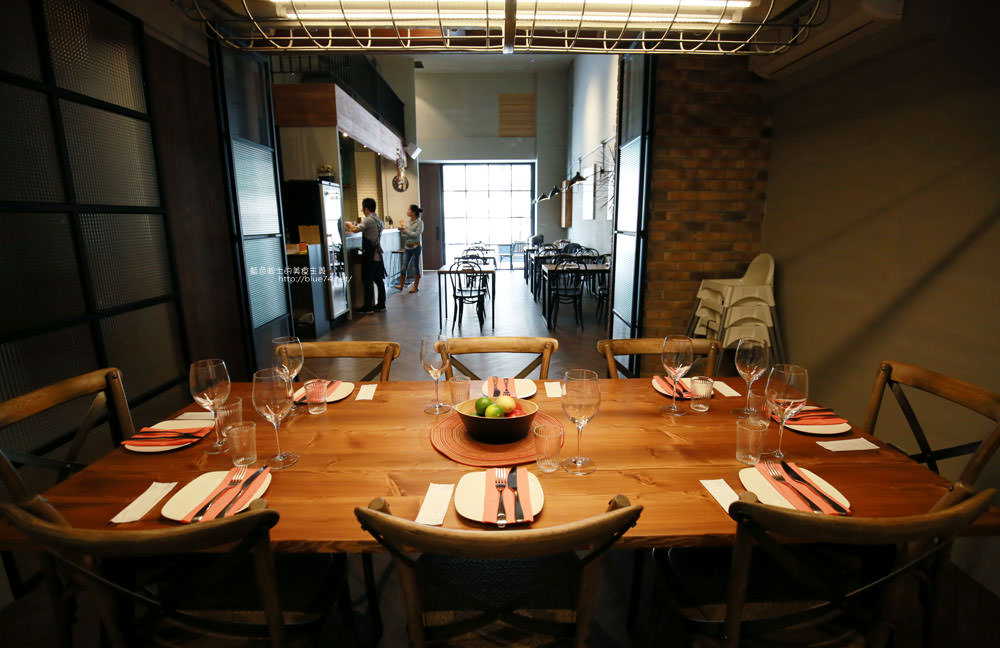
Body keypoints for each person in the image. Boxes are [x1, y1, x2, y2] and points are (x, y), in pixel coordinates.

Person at [344, 197, 386, 313]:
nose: (363, 211)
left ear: (366, 208)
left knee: (367, 280)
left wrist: (348, 224)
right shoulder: (378, 220)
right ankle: (381, 305)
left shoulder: (368, 220)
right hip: (377, 254)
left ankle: (368, 307)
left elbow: (355, 230)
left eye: (363, 209)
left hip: (370, 255)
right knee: (379, 280)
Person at [397, 204, 424, 293]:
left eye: (409, 210)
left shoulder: (420, 223)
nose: (407, 211)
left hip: (416, 247)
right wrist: (403, 231)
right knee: (404, 266)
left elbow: (416, 234)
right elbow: (404, 235)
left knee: (415, 267)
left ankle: (415, 287)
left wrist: (406, 231)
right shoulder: (407, 222)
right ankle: (401, 285)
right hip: (407, 247)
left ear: (413, 212)